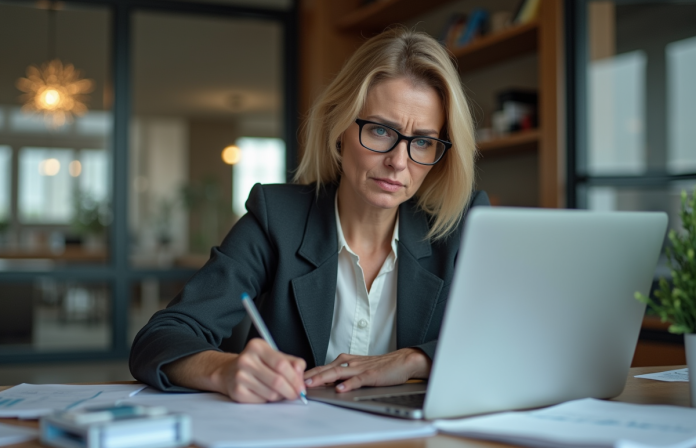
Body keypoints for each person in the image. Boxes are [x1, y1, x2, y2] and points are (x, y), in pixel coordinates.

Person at [129, 27, 489, 404]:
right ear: (340, 128)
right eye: (382, 131)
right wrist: (223, 369)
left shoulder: (465, 229)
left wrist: (416, 360)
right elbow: (161, 337)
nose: (398, 162)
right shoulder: (277, 219)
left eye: (422, 142)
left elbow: (510, 343)